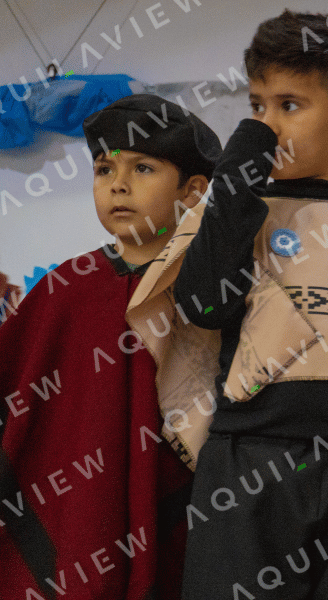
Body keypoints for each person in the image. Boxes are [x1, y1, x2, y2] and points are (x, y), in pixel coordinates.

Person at [139, 10, 328, 599]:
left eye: (289, 105)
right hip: (247, 464)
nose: (267, 124)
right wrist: (237, 180)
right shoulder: (229, 217)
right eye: (257, 106)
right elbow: (204, 305)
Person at [0, 94, 221, 600]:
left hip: (195, 513)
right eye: (104, 169)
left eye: (142, 168)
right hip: (82, 514)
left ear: (193, 190)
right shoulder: (64, 290)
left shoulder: (213, 289)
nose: (117, 185)